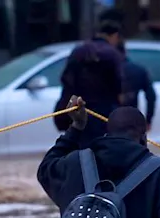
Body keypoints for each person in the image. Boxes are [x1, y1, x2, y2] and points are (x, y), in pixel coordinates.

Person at [52, 18, 125, 146]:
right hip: (103, 112)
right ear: (114, 36)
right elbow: (118, 85)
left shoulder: (78, 51)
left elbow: (66, 80)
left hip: (78, 110)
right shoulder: (112, 54)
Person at [118, 40, 156, 130]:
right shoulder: (138, 70)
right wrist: (148, 119)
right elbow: (151, 97)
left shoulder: (102, 72)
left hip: (107, 119)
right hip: (132, 119)